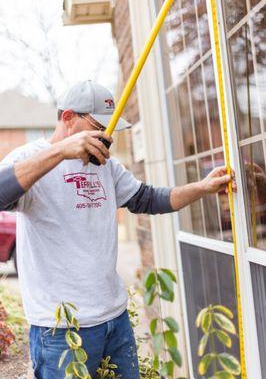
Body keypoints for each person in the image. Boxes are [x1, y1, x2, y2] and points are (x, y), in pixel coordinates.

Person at [0, 80, 236, 379]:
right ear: (68, 118)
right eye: (99, 127)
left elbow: (148, 199)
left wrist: (202, 187)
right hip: (60, 330)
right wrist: (61, 152)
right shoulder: (27, 159)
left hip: (115, 319)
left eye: (110, 130)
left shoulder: (105, 166)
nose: (106, 137)